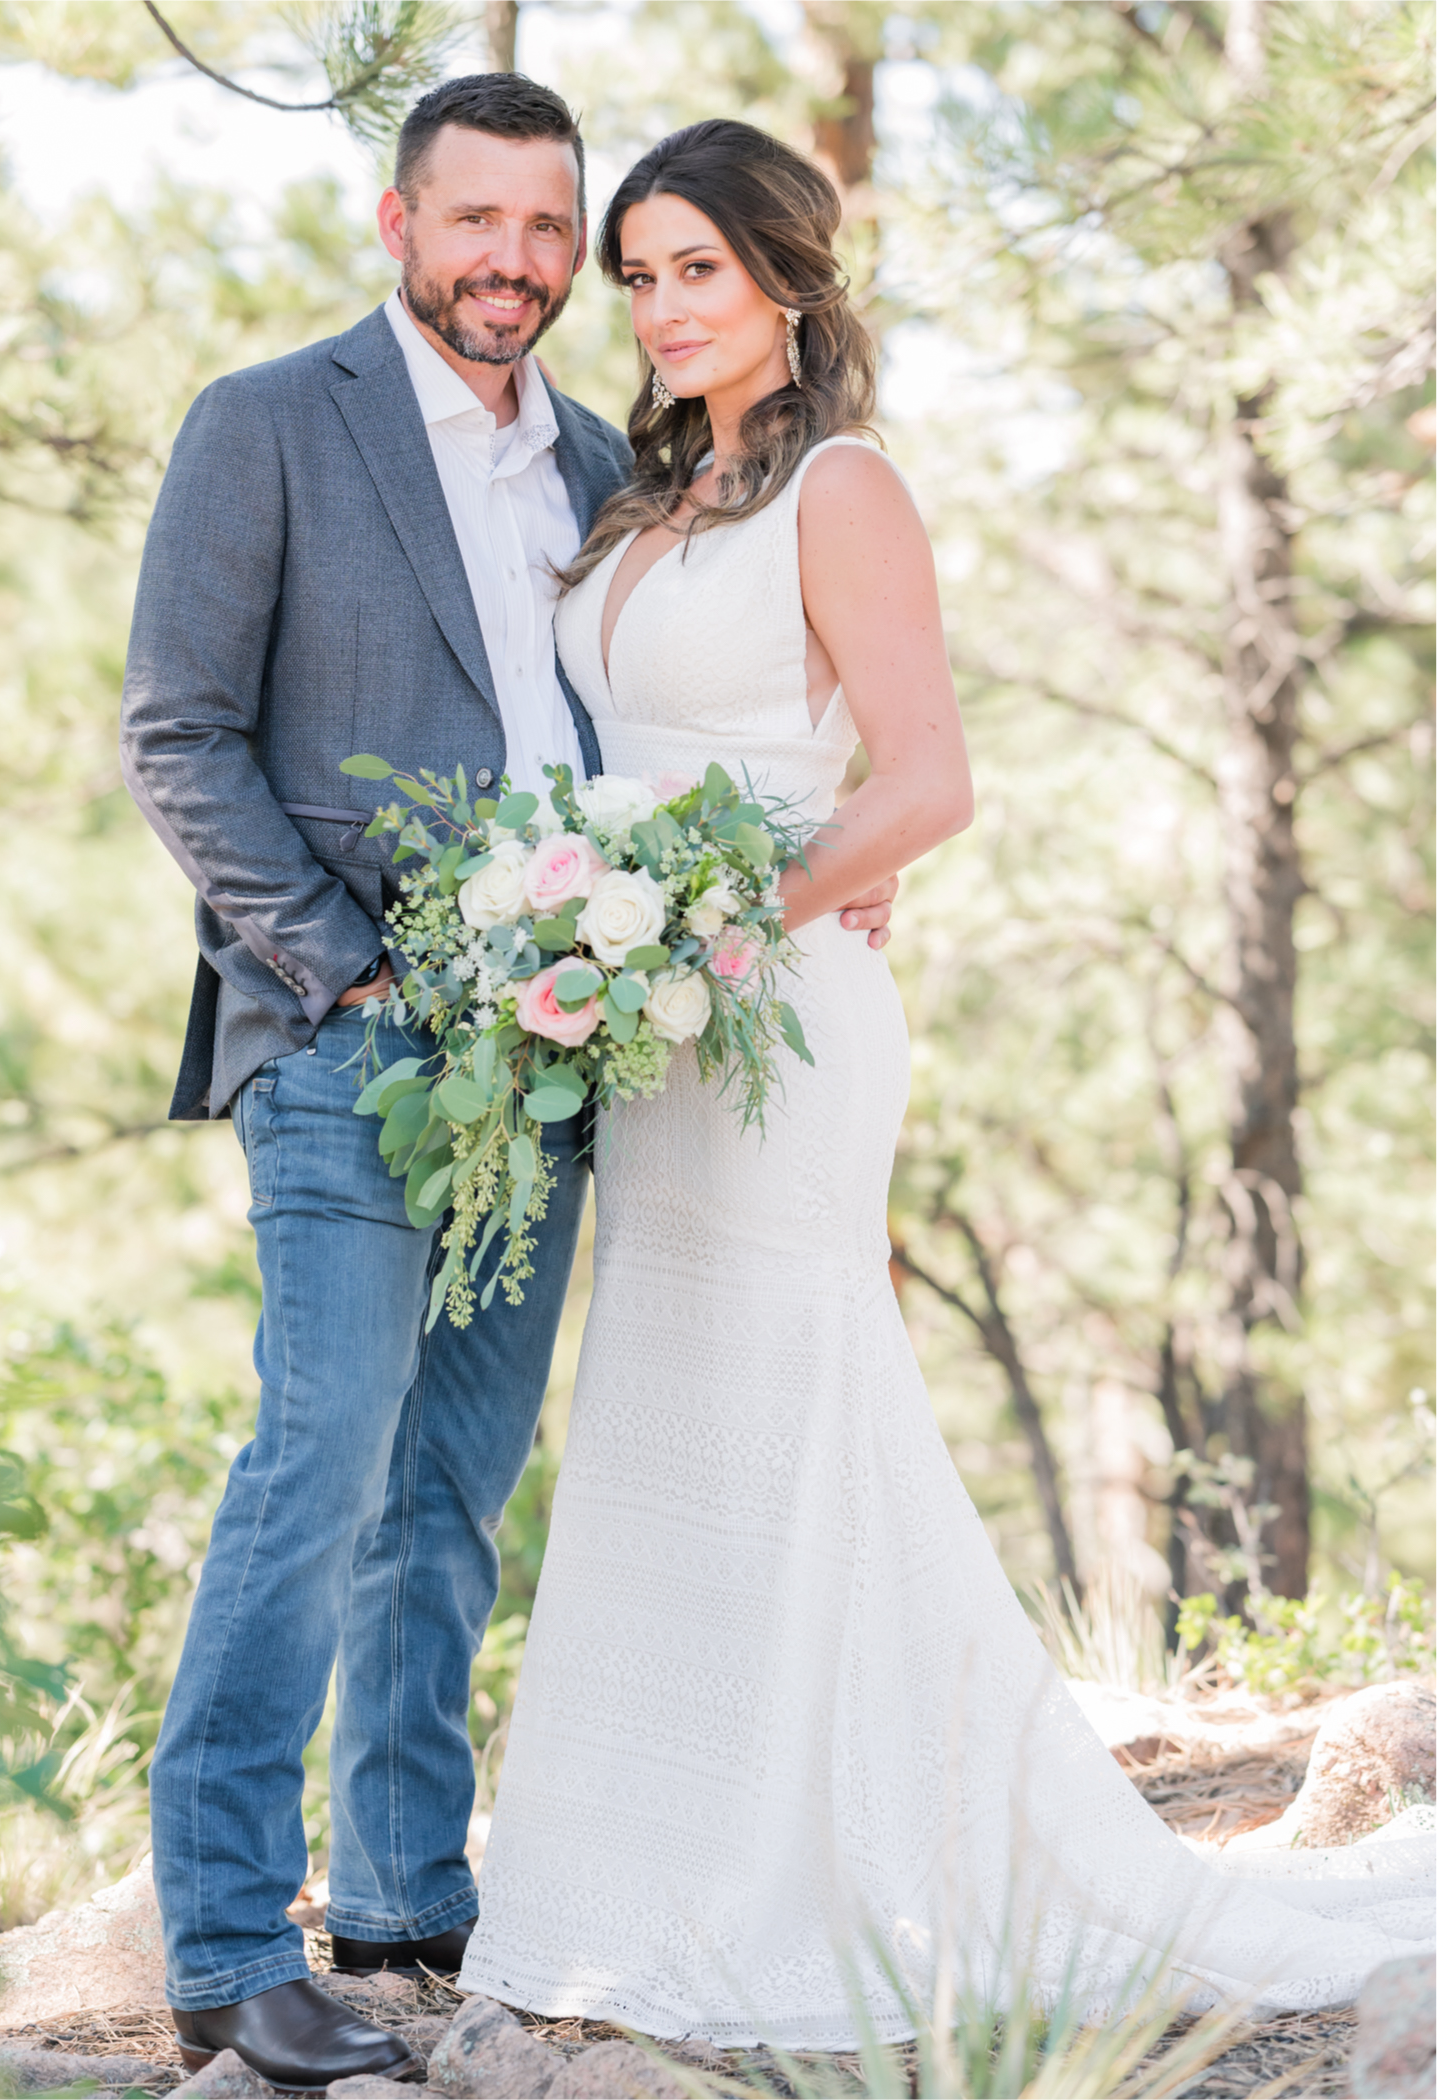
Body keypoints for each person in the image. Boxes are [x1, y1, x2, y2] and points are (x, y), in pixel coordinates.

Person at [457, 118, 1433, 2047]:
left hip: (772, 1017)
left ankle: (836, 1872)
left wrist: (712, 934)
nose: (655, 307)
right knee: (666, 1413)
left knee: (792, 1408)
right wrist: (601, 944)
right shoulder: (640, 502)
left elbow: (925, 782)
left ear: (790, 283)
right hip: (639, 1023)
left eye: (696, 271)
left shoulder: (843, 489)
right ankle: (648, 1862)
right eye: (637, 272)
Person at [121, 77, 896, 2091]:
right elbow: (179, 734)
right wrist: (351, 967)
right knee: (322, 1464)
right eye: (481, 225)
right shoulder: (268, 424)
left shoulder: (592, 461)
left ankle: (397, 1895)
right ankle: (222, 1938)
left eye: (553, 234)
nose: (520, 267)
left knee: (451, 1495)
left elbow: (660, 737)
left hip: (556, 1055)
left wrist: (772, 885)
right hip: (346, 1047)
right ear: (399, 225)